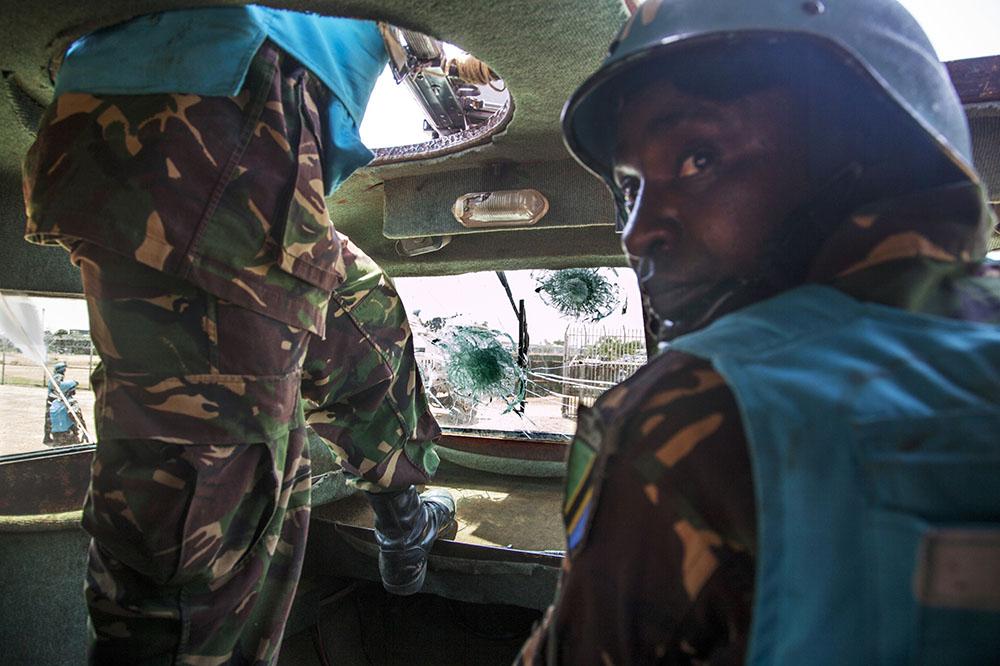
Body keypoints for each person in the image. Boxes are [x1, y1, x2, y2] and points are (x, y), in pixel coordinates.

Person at [519, 0, 1000, 663]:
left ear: (869, 148)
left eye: (698, 159)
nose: (636, 232)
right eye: (630, 191)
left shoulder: (692, 407)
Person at [22, 6, 455, 663]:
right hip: (217, 119)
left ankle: (401, 518)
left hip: (228, 138)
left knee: (363, 306)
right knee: (194, 554)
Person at [43, 359, 68, 443]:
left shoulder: (54, 376)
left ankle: (47, 437)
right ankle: (50, 437)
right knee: (52, 418)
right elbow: (57, 388)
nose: (65, 370)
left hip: (50, 398)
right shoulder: (59, 377)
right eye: (64, 369)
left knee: (48, 418)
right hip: (53, 399)